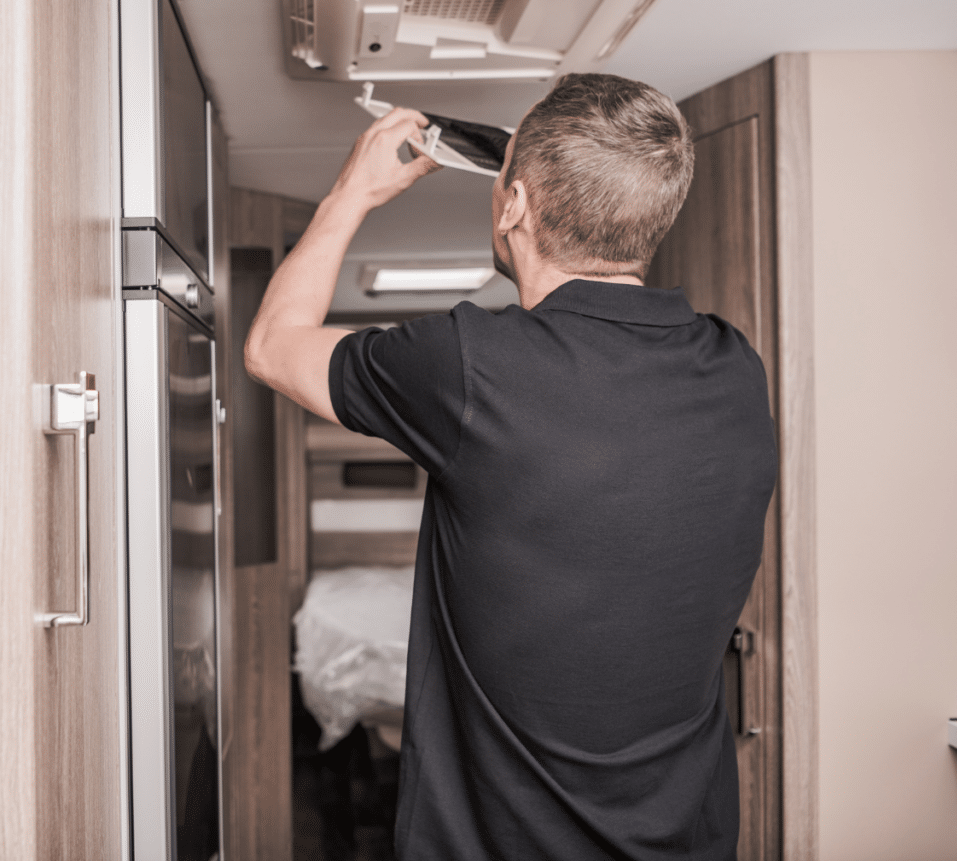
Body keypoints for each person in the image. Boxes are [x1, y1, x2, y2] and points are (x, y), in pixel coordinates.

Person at [245, 72, 777, 861]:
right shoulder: (736, 366)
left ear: (517, 204)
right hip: (686, 839)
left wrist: (350, 194)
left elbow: (271, 347)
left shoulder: (470, 364)